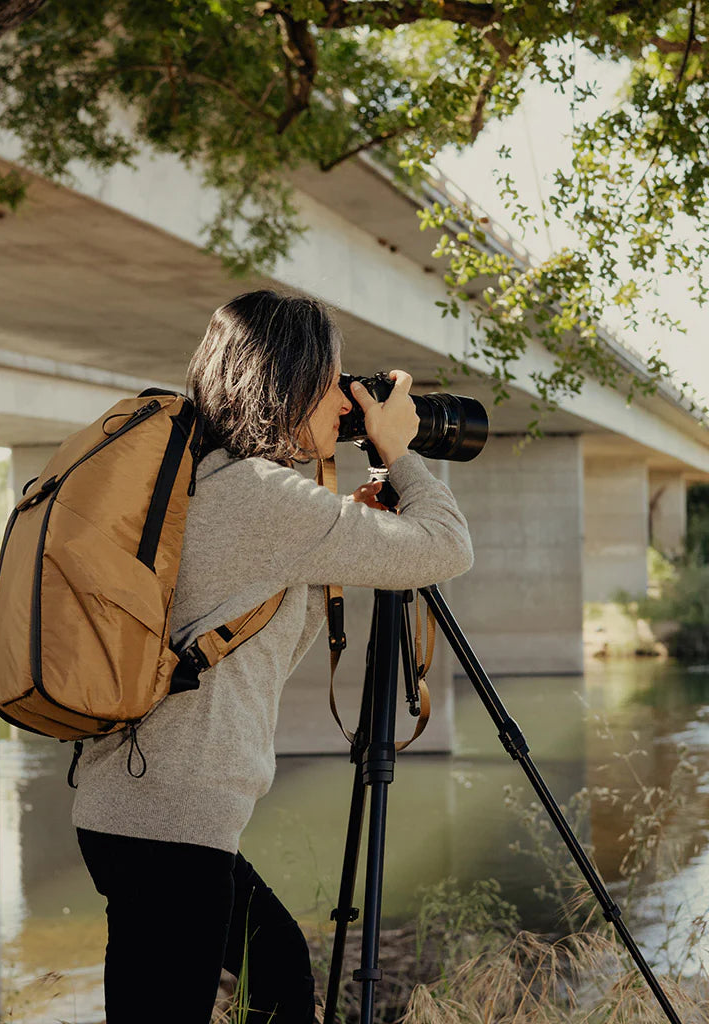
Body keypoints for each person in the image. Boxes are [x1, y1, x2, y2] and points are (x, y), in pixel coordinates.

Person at [71, 290, 474, 1022]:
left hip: (129, 811)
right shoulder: (268, 498)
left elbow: (257, 582)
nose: (346, 403)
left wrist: (355, 515)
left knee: (280, 969)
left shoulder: (212, 476)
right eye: (332, 379)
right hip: (172, 822)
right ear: (288, 383)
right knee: (263, 985)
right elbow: (447, 548)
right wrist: (400, 451)